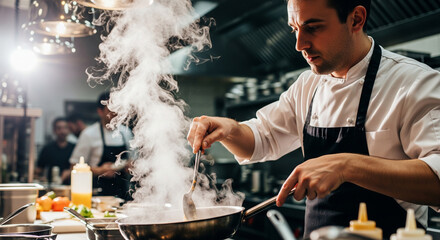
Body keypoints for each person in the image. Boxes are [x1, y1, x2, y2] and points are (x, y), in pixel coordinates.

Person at [187, 0, 440, 238]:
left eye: (313, 28)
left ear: (356, 19)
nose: (299, 44)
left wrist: (346, 166)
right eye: (294, 28)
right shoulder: (309, 85)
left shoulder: (414, 83)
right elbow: (261, 139)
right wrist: (229, 129)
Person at [69, 92, 133, 200]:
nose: (115, 113)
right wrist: (100, 170)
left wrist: (130, 166)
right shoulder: (89, 134)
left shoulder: (126, 132)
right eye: (110, 110)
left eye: (117, 109)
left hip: (123, 194)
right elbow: (73, 167)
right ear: (100, 111)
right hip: (97, 195)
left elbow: (133, 160)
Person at [36, 117, 75, 185]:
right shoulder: (47, 149)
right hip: (51, 186)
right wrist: (39, 178)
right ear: (54, 130)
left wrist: (68, 173)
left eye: (65, 128)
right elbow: (39, 169)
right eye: (59, 128)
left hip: (70, 186)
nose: (62, 131)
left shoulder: (74, 148)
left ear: (69, 130)